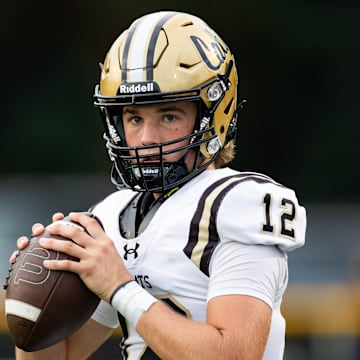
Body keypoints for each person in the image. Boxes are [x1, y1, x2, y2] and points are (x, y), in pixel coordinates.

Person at [10, 10, 306, 359]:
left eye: (168, 116)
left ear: (214, 114)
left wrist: (120, 287)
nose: (147, 138)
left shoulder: (238, 203)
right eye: (134, 118)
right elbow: (62, 355)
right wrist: (32, 301)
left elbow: (235, 354)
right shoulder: (112, 216)